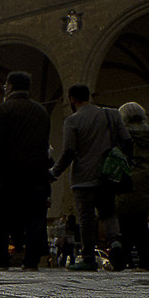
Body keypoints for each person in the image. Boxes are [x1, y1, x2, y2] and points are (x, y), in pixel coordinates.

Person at [51, 84, 127, 270]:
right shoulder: (112, 114)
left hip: (83, 178)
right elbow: (126, 140)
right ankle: (115, 243)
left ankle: (88, 258)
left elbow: (69, 151)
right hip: (107, 176)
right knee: (108, 213)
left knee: (86, 218)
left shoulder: (72, 121)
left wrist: (55, 172)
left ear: (71, 99)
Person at [0, 72, 52, 271]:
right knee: (35, 218)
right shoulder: (41, 111)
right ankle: (31, 262)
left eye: (6, 85)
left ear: (11, 86)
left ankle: (0, 260)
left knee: (1, 218)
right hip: (36, 173)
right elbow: (44, 144)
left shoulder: (4, 108)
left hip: (9, 172)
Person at [112, 102, 149, 269]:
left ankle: (122, 261)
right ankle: (146, 260)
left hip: (128, 181)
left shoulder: (123, 135)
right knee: (141, 222)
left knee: (125, 223)